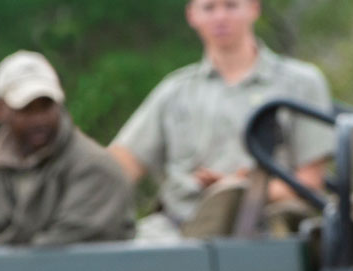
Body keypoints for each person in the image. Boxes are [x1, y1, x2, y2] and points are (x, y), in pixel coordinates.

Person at [110, 0, 334, 240]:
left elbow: (309, 183)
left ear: (253, 9)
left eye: (231, 5)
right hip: (179, 231)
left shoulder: (300, 83)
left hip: (267, 229)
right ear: (192, 15)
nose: (220, 17)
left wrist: (238, 190)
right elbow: (119, 167)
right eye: (209, 8)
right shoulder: (175, 92)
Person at [0, 51, 135, 246]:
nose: (39, 120)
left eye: (46, 106)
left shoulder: (96, 168)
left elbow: (63, 248)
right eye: (26, 109)